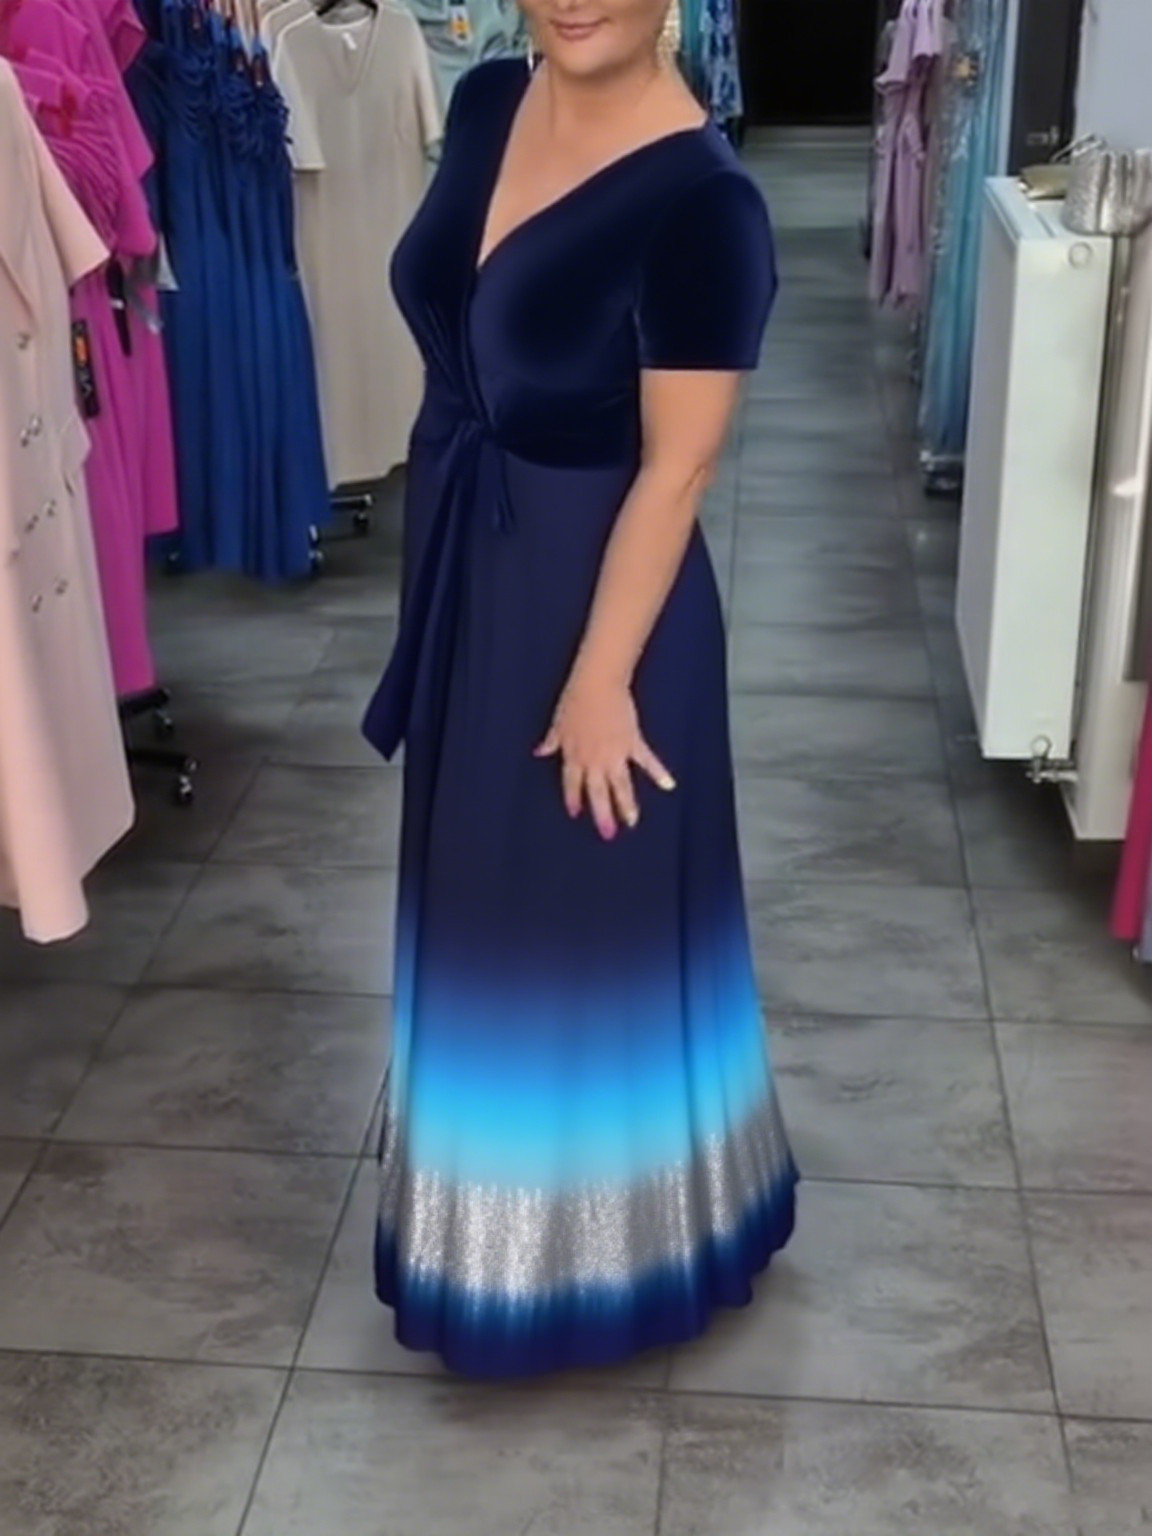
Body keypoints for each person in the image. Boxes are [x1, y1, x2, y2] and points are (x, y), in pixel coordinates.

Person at [362, 0, 798, 1379]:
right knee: (480, 909)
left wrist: (602, 680)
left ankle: (611, 1257)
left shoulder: (706, 205)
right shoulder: (488, 100)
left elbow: (680, 467)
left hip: (605, 604)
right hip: (473, 575)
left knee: (577, 929)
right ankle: (481, 1232)